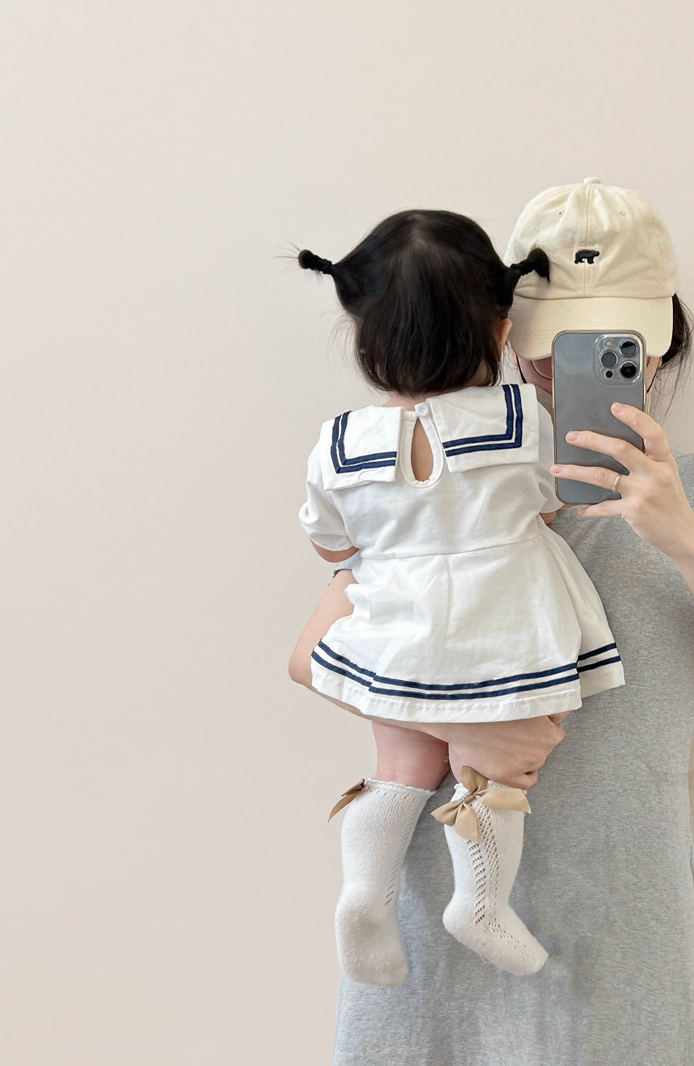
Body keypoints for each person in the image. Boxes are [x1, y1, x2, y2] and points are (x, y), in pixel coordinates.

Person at [290, 178, 694, 1064]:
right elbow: (314, 651)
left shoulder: (680, 493)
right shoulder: (434, 492)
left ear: (663, 338)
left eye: (613, 342)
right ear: (507, 330)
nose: (565, 368)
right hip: (437, 923)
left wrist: (682, 537)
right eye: (555, 344)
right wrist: (466, 719)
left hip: (626, 918)